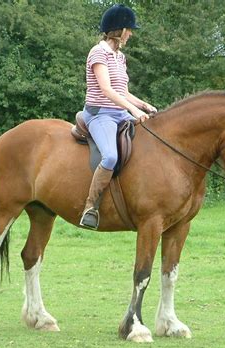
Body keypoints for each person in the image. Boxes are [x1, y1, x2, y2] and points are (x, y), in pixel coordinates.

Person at [79, 4, 157, 230]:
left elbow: (122, 91)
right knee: (111, 157)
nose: (131, 33)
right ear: (119, 30)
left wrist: (143, 105)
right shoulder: (98, 52)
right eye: (129, 29)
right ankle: (90, 207)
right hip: (100, 114)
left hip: (119, 113)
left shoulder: (119, 57)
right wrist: (134, 111)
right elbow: (106, 90)